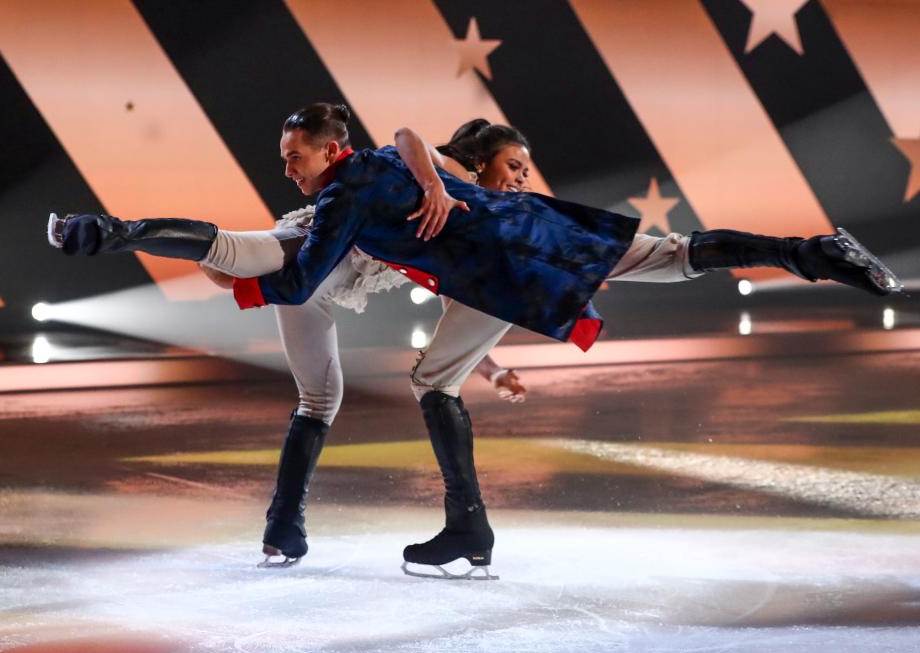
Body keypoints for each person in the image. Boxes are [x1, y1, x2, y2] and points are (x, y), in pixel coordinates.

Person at [49, 102, 902, 579]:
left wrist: (268, 278)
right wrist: (428, 187)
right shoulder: (434, 185)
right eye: (514, 166)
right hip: (383, 264)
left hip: (448, 262)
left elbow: (417, 233)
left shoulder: (456, 195)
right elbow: (408, 170)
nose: (519, 176)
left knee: (662, 263)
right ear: (485, 161)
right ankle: (813, 252)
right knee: (666, 261)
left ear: (326, 149)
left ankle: (462, 531)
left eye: (521, 170)